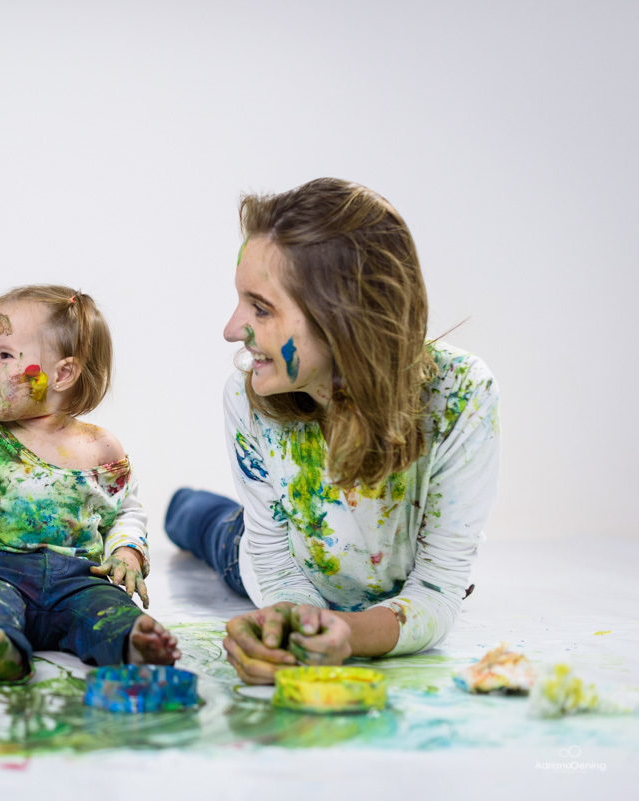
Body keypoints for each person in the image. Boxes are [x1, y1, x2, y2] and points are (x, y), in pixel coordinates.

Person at [166, 178, 500, 684]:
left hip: (372, 578)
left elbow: (438, 589)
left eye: (260, 307)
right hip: (263, 559)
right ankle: (185, 505)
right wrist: (300, 626)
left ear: (341, 318)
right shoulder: (248, 398)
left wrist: (345, 632)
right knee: (197, 521)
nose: (232, 329)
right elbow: (274, 564)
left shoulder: (461, 397)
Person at [0, 285, 181, 682]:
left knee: (108, 608)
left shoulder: (99, 447)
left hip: (79, 581)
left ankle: (133, 642)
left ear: (62, 373)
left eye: (5, 355)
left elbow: (125, 514)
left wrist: (127, 557)